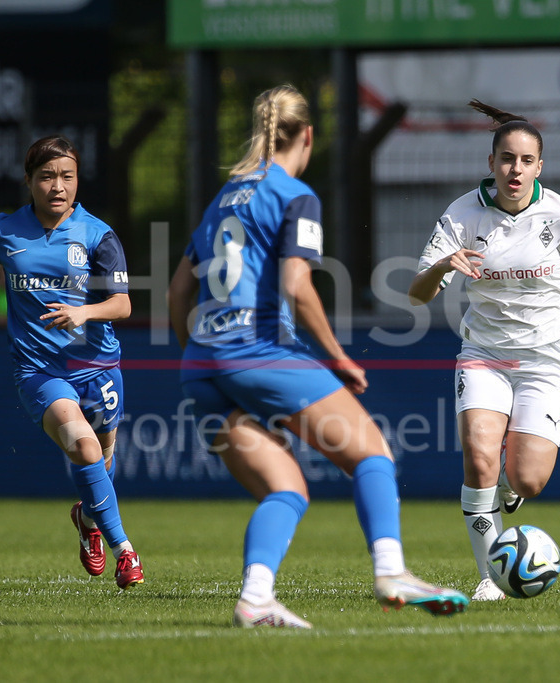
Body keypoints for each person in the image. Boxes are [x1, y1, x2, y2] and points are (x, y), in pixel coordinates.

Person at [167, 83, 469, 629]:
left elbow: (177, 294)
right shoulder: (294, 194)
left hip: (202, 367)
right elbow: (297, 285)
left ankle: (256, 600)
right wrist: (336, 358)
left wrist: (204, 359)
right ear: (307, 136)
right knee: (372, 454)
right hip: (259, 352)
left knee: (286, 489)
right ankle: (392, 571)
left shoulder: (224, 197)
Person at [407, 100, 560, 601]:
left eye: (525, 161)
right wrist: (443, 266)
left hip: (545, 359)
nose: (514, 170)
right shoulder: (462, 214)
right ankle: (489, 576)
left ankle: (509, 489)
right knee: (479, 457)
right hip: (483, 353)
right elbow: (417, 294)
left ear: (540, 166)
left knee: (528, 479)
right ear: (491, 162)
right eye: (506, 159)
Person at [0, 135, 144, 590]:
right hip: (39, 371)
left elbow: (122, 304)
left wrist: (85, 311)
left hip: (98, 368)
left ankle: (87, 519)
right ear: (29, 181)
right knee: (84, 449)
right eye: (47, 176)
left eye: (67, 176)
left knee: (102, 460)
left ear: (77, 180)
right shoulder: (4, 230)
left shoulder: (98, 234)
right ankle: (125, 551)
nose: (58, 186)